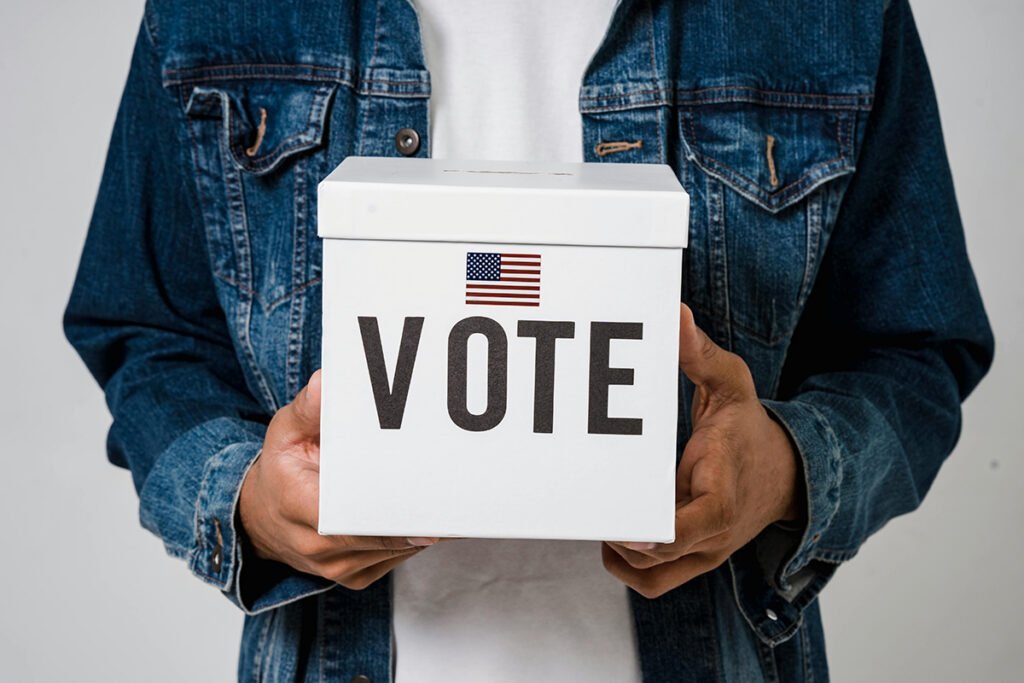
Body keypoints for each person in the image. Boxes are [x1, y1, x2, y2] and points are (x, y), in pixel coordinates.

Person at [64, 0, 994, 681]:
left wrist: (786, 468)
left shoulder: (835, 15)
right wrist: (243, 499)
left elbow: (916, 348)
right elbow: (144, 327)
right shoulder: (213, 14)